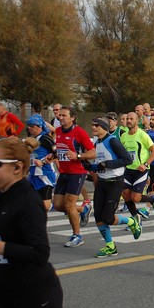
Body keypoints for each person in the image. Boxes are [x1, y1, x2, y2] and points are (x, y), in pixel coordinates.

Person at [0, 137, 67, 308]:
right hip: (3, 289)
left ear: (17, 168)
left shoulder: (27, 201)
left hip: (36, 293)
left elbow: (40, 253)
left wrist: (1, 247)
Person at [86, 117, 141, 257]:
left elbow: (127, 159)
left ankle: (131, 222)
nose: (93, 128)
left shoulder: (112, 141)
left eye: (96, 125)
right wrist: (86, 166)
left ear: (104, 127)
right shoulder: (97, 142)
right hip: (102, 183)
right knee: (98, 217)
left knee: (108, 218)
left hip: (115, 183)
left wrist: (107, 164)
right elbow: (99, 164)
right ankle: (110, 246)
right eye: (92, 125)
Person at [52, 106, 96, 247]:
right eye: (60, 115)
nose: (61, 117)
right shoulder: (58, 131)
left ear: (72, 118)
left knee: (69, 204)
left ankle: (77, 236)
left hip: (77, 172)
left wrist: (78, 155)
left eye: (64, 115)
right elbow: (60, 150)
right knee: (58, 205)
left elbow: (93, 152)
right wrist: (51, 156)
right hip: (63, 172)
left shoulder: (79, 132)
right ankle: (84, 209)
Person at [119, 112, 154, 222]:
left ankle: (152, 199)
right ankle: (135, 218)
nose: (128, 121)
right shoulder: (123, 136)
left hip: (140, 170)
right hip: (128, 170)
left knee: (136, 197)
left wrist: (146, 164)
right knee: (126, 194)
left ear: (137, 121)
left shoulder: (142, 135)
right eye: (127, 118)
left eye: (131, 119)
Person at [26, 114, 57, 211]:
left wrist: (43, 162)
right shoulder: (31, 138)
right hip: (32, 176)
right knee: (29, 202)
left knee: (45, 206)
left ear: (39, 126)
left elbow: (57, 153)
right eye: (28, 125)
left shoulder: (46, 138)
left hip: (44, 175)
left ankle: (81, 209)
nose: (29, 128)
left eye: (31, 125)